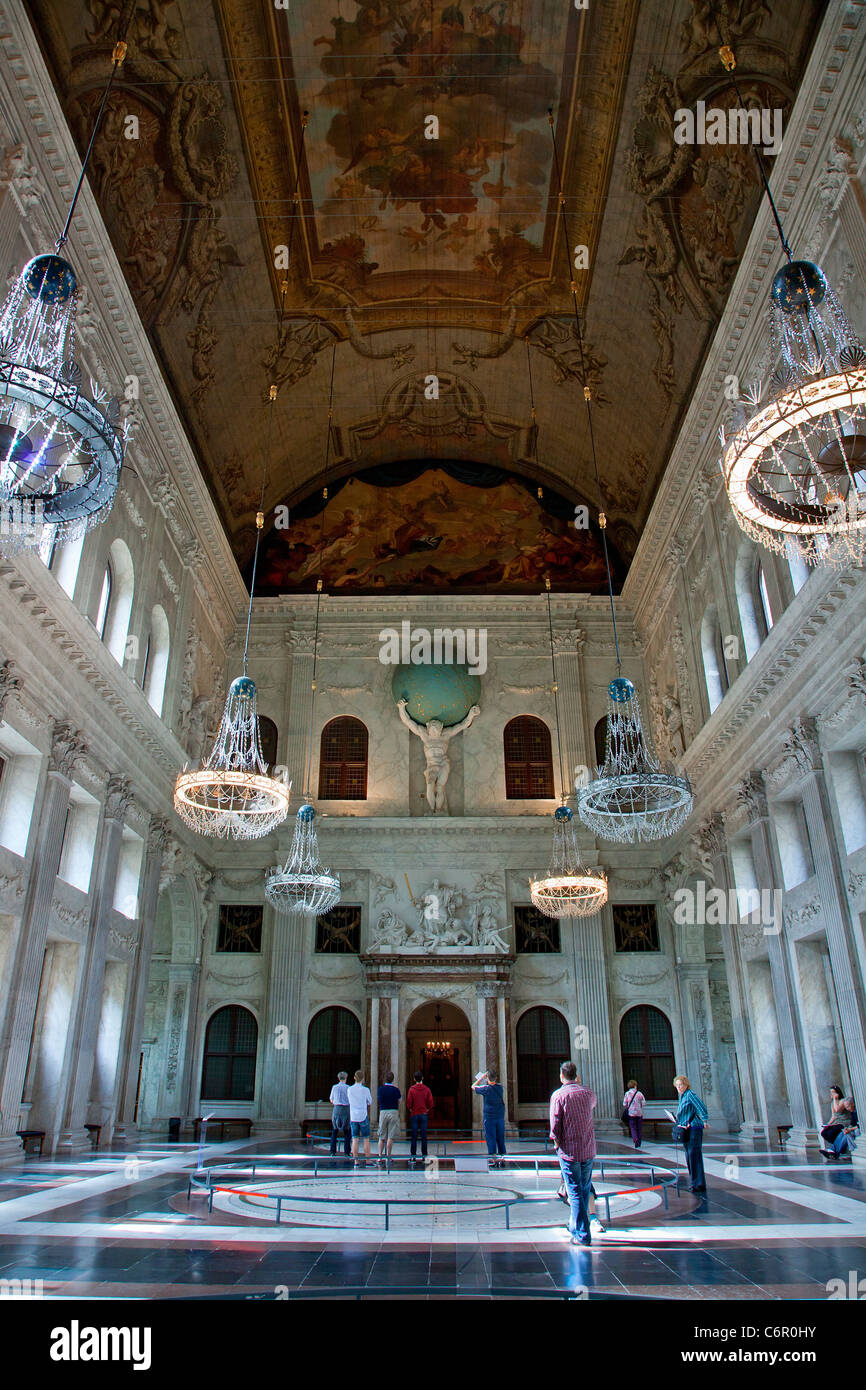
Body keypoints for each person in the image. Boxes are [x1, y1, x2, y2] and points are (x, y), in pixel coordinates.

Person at [550, 1061, 597, 1246]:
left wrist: (556, 1142)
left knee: (574, 1192)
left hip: (569, 1151)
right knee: (584, 1189)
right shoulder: (588, 1093)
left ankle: (582, 1233)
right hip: (587, 1149)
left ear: (562, 1076)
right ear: (576, 1076)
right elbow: (591, 1107)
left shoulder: (559, 1095)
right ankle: (574, 1224)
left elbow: (555, 1125)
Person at [673, 1074, 708, 1193]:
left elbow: (701, 1107)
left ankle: (698, 1183)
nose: (679, 1087)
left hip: (694, 1128)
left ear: (686, 1084)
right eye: (677, 1085)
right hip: (686, 1128)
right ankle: (694, 1182)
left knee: (694, 1155)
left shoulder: (690, 1095)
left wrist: (705, 1120)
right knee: (689, 1156)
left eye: (681, 1085)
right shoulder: (683, 1097)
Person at [472, 1068, 506, 1167]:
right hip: (499, 1116)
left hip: (489, 1117)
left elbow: (473, 1086)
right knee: (500, 1137)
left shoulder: (486, 1089)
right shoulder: (500, 1088)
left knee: (491, 1137)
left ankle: (494, 1159)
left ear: (487, 1078)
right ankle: (502, 1158)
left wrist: (480, 1078)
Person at [821, 1086, 858, 1160]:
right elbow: (834, 1115)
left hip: (844, 1123)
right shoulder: (853, 1112)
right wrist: (828, 1124)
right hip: (844, 1125)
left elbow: (837, 1110)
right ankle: (833, 1150)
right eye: (846, 1107)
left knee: (842, 1133)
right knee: (826, 1132)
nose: (847, 1109)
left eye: (848, 1107)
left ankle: (835, 1151)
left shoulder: (843, 1102)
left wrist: (835, 1098)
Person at [406, 1069, 434, 1164]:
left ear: (414, 1079)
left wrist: (411, 1109)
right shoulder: (427, 1089)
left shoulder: (411, 1089)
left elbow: (409, 1102)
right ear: (422, 1078)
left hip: (414, 1114)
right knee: (424, 1136)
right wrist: (427, 1109)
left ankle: (413, 1157)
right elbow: (430, 1103)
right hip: (423, 1114)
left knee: (414, 1135)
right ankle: (424, 1156)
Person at [347, 1068, 373, 1168]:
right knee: (366, 1139)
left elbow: (349, 1101)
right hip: (363, 1116)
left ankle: (356, 1162)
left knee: (355, 1139)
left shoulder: (349, 1089)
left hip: (353, 1117)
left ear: (354, 1078)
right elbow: (370, 1102)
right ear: (363, 1079)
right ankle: (368, 1161)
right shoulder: (365, 1090)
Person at [377, 1070, 402, 1166]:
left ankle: (379, 1157)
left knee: (381, 1136)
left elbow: (379, 1099)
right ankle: (388, 1156)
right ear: (393, 1080)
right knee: (390, 1136)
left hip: (383, 1112)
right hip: (393, 1112)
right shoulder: (396, 1090)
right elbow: (400, 1100)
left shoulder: (380, 1089)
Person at [329, 1070, 351, 1159]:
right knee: (347, 1132)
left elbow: (331, 1099)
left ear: (338, 1078)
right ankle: (347, 1152)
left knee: (334, 1131)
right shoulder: (348, 1088)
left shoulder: (334, 1087)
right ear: (346, 1078)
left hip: (337, 1108)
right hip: (346, 1109)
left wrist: (335, 1103)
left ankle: (332, 1152)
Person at [622, 1079, 646, 1149]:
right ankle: (639, 1142)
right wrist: (639, 1105)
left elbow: (624, 1104)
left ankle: (635, 1139)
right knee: (639, 1128)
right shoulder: (639, 1093)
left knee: (633, 1127)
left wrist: (629, 1106)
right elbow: (644, 1103)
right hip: (639, 1113)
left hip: (631, 1113)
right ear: (635, 1086)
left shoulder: (627, 1094)